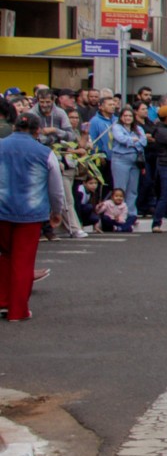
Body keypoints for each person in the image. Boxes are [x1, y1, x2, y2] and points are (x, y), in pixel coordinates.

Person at [0, 111, 67, 322]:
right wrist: (57, 211)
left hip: (2, 210)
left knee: (4, 256)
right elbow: (56, 188)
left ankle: (3, 301)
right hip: (30, 214)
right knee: (23, 261)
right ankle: (18, 310)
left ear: (14, 127)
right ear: (37, 131)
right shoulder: (45, 153)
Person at [107, 105, 146, 204]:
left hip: (135, 159)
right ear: (121, 117)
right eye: (125, 116)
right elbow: (121, 139)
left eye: (130, 116)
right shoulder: (117, 127)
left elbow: (143, 142)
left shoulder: (138, 128)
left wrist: (130, 141)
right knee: (120, 189)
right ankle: (119, 211)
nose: (128, 118)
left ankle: (131, 211)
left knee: (133, 190)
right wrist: (133, 140)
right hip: (120, 159)